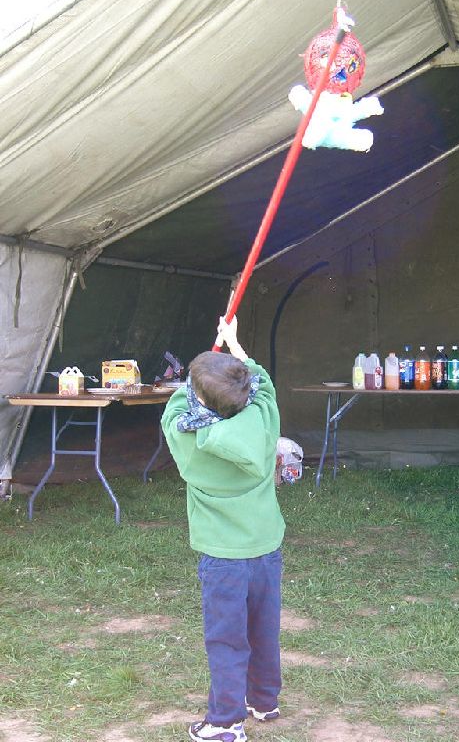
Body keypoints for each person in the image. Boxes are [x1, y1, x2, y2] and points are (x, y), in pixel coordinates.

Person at [161, 316, 285, 742]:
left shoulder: (189, 441)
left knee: (227, 639)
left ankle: (226, 722)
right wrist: (233, 345)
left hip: (223, 559)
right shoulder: (265, 416)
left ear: (200, 400)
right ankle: (264, 701)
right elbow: (261, 380)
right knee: (263, 628)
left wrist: (198, 382)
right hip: (266, 549)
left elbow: (176, 407)